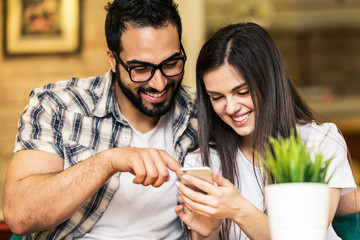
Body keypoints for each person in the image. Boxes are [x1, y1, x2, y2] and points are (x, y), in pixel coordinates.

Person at [3, 0, 198, 239]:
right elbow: (19, 216)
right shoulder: (57, 104)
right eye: (140, 69)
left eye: (171, 64)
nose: (159, 83)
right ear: (113, 60)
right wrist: (109, 161)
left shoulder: (201, 110)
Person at [175, 22, 357, 240]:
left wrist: (237, 209)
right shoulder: (202, 162)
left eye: (242, 92)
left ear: (269, 82)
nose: (231, 108)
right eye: (217, 97)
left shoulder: (319, 143)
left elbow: (306, 236)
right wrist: (208, 232)